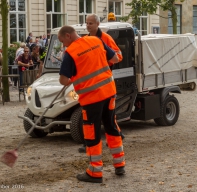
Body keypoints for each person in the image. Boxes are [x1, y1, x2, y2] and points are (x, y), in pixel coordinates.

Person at [58, 26, 125, 183]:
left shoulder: (70, 53)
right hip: (109, 92)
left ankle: (95, 172)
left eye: (63, 42)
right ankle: (119, 164)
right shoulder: (96, 40)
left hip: (91, 98)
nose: (63, 45)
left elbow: (63, 80)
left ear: (68, 36)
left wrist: (73, 79)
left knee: (92, 132)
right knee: (111, 125)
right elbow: (115, 59)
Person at [77, 13, 124, 153]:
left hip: (104, 82)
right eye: (86, 23)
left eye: (90, 23)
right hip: (91, 84)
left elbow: (118, 55)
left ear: (97, 24)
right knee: (93, 117)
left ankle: (116, 138)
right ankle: (89, 143)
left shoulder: (106, 38)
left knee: (108, 115)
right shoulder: (85, 40)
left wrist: (103, 60)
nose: (87, 25)